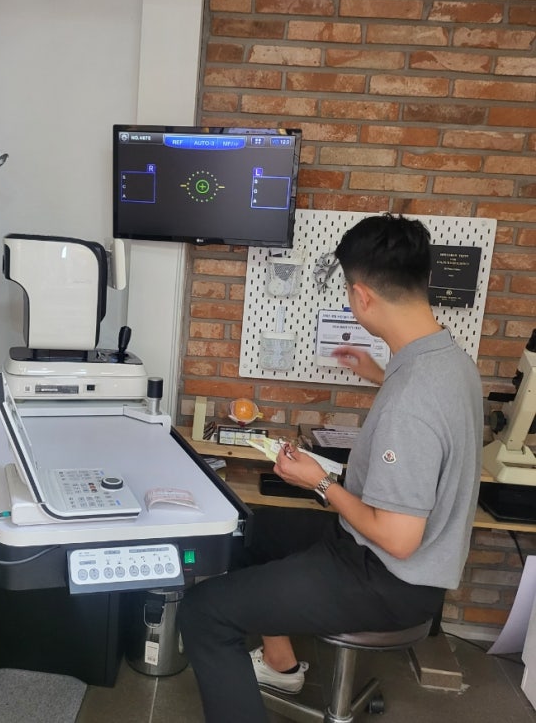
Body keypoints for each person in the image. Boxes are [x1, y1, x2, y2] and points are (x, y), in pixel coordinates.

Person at [178, 213, 483, 723]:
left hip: (387, 578)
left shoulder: (412, 399)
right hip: (381, 557)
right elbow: (426, 411)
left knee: (203, 612)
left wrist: (318, 482)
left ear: (361, 296)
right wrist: (378, 375)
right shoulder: (447, 360)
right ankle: (280, 664)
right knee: (249, 529)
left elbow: (399, 539)